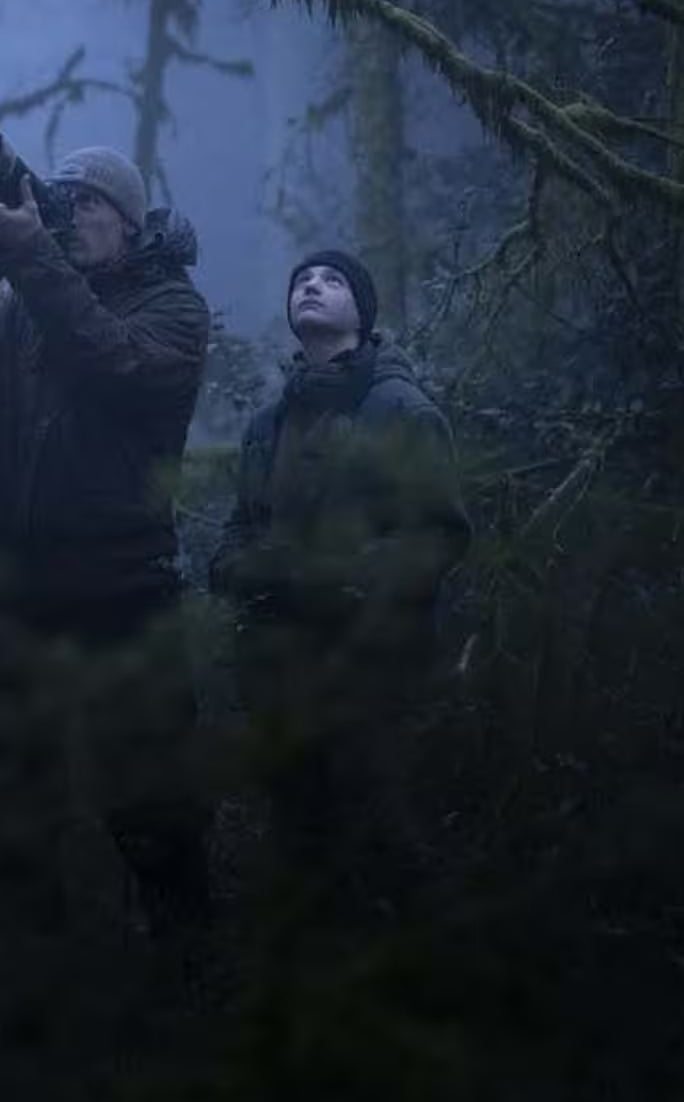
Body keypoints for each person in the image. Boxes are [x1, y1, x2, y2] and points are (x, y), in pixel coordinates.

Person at [0, 145, 213, 946]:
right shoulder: (30, 297)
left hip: (121, 585)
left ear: (129, 222)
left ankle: (192, 968)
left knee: (150, 795)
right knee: (14, 797)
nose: (72, 215)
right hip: (9, 592)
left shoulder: (173, 306)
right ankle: (36, 988)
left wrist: (30, 257)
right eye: (62, 201)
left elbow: (111, 362)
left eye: (90, 203)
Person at [208, 249, 471, 922]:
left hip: (373, 670)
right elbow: (240, 527)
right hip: (278, 670)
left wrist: (342, 580)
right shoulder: (268, 424)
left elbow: (437, 535)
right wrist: (238, 570)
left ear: (361, 310)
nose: (312, 288)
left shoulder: (402, 409)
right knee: (298, 839)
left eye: (331, 281)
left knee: (385, 833)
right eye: (301, 281)